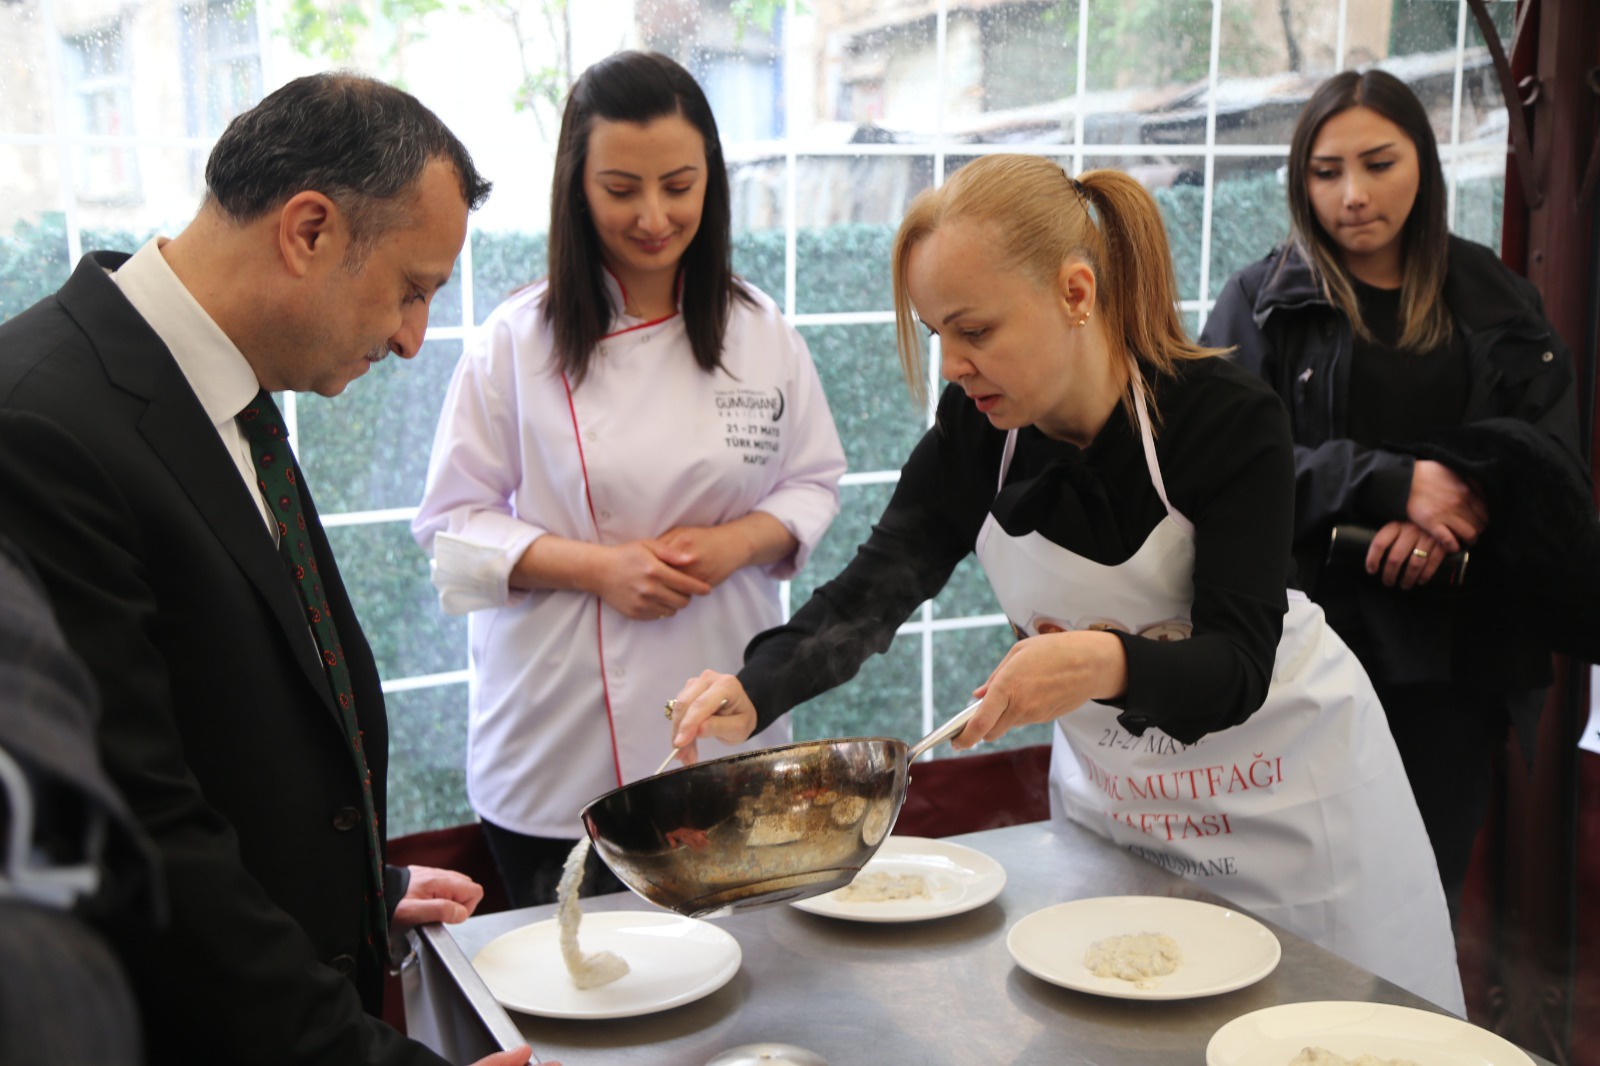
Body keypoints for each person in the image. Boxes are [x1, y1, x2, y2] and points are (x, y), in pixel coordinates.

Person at [665, 154, 1465, 1013]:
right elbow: (875, 588)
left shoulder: (1227, 421)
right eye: (938, 336)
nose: (953, 365)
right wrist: (755, 688)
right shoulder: (979, 433)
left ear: (1076, 293)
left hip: (1293, 799)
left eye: (976, 331)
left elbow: (1238, 666)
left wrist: (1097, 663)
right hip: (1124, 808)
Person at [0, 75, 535, 1066]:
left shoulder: (223, 396)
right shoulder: (37, 426)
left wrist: (358, 887)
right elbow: (142, 844)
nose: (412, 338)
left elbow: (232, 719)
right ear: (309, 231)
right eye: (412, 289)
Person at [411, 51, 845, 907]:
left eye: (679, 186)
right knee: (576, 969)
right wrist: (600, 568)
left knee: (736, 963)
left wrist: (734, 544)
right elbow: (451, 526)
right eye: (621, 189)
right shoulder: (516, 341)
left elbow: (813, 482)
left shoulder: (760, 332)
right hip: (556, 731)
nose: (654, 216)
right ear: (577, 187)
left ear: (710, 180)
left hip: (722, 715)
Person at [1198, 69, 1590, 915]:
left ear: (1425, 162)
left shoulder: (1500, 302)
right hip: (1303, 657)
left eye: (1379, 164)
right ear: (1300, 180)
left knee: (1418, 905)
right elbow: (1212, 469)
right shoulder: (1261, 304)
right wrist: (1393, 484)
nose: (1354, 195)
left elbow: (1552, 464)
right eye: (1326, 171)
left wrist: (1451, 512)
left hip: (1455, 665)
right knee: (1295, 907)